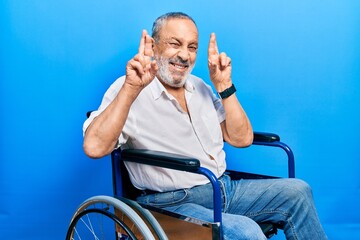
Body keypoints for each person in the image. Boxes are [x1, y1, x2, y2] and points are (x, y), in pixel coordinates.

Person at [83, 12, 327, 240]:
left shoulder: (200, 86)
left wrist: (224, 87)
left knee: (297, 191)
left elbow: (241, 139)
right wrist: (131, 90)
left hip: (224, 188)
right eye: (175, 44)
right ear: (154, 46)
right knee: (246, 231)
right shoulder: (129, 87)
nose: (184, 55)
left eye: (192, 47)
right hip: (171, 201)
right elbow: (94, 147)